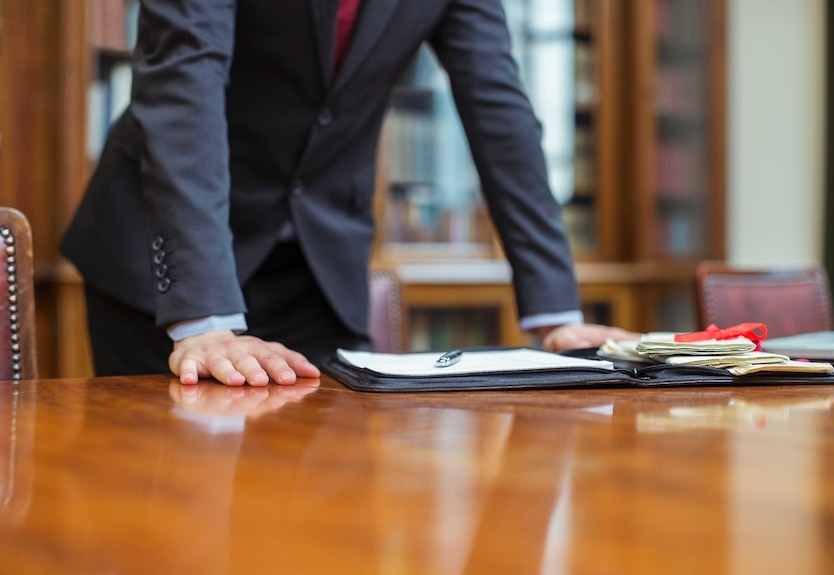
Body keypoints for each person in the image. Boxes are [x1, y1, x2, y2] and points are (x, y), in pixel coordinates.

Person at [61, 0, 639, 387]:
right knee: (174, 510)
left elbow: (498, 109)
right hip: (166, 266)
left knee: (329, 496)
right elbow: (186, 78)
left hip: (317, 268)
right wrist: (204, 317)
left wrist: (555, 312)